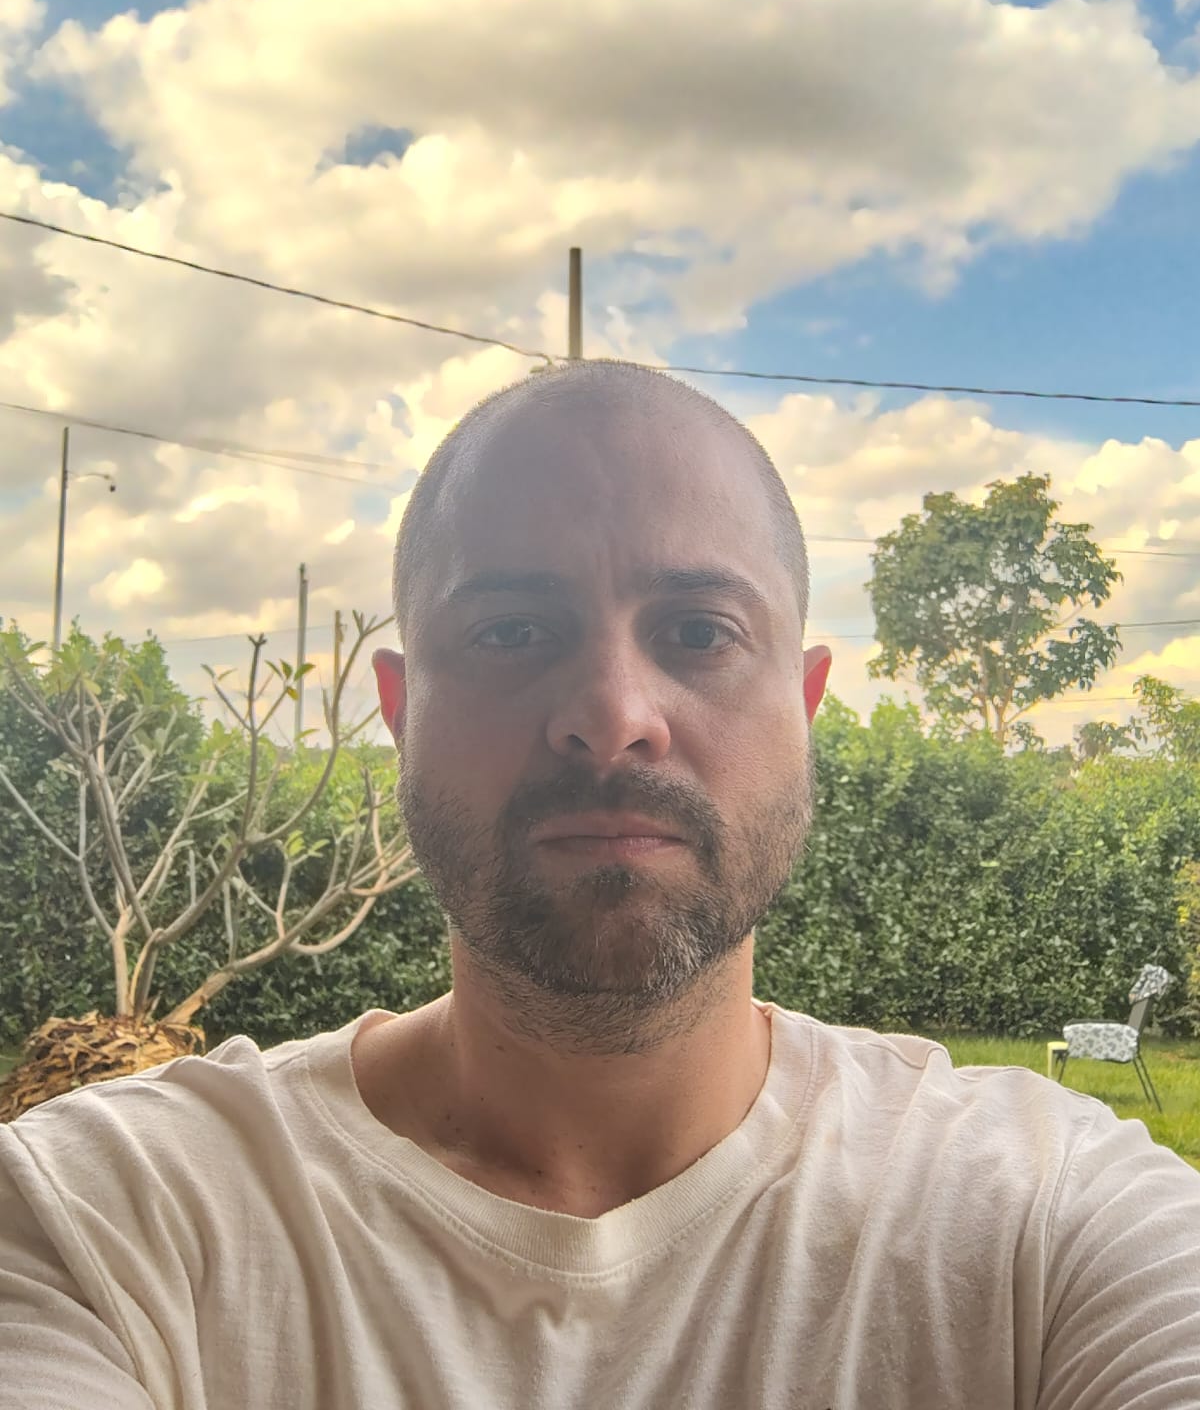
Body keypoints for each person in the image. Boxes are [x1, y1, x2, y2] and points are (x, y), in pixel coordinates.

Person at [2, 360, 1198, 1410]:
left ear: (805, 705)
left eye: (700, 631)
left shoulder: (1052, 1218)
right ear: (403, 712)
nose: (613, 716)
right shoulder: (100, 1224)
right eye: (513, 632)